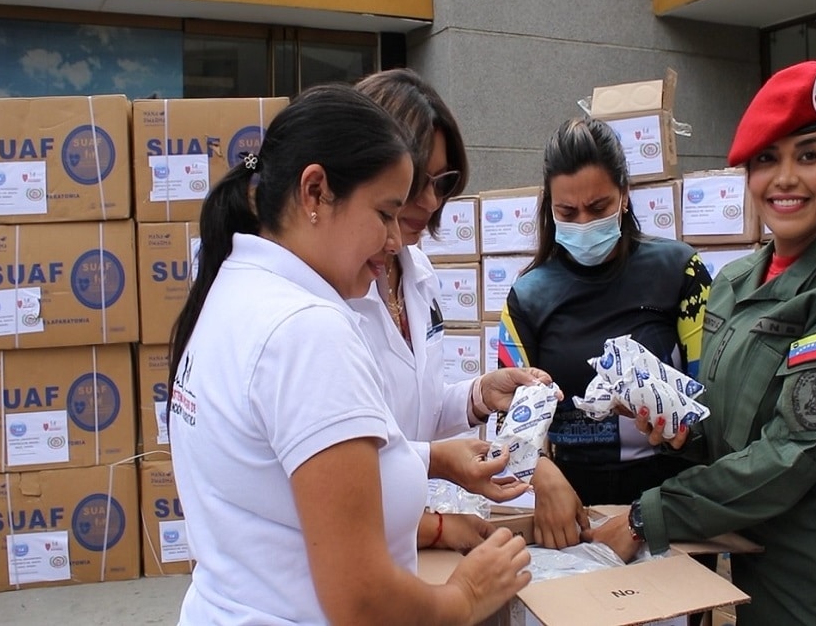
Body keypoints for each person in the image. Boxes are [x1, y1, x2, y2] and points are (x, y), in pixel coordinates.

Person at [167, 84, 531, 625]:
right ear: (315, 192)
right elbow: (361, 600)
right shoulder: (308, 331)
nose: (394, 239)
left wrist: (439, 447)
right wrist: (467, 596)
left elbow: (301, 462)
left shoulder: (236, 289)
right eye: (386, 213)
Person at [584, 61, 816, 625]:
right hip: (766, 595)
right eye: (767, 159)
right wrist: (677, 424)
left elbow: (788, 456)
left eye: (808, 155)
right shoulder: (735, 283)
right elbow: (732, 427)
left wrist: (646, 517)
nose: (785, 178)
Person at [353, 68, 556, 553]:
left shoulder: (415, 270)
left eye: (441, 182)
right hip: (363, 545)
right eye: (414, 182)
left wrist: (480, 395)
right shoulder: (331, 294)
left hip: (403, 538)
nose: (429, 200)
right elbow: (346, 465)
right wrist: (438, 517)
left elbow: (415, 410)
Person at [498, 117, 712, 549]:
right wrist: (542, 475)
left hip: (668, 499)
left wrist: (681, 428)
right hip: (570, 505)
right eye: (567, 212)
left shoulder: (680, 271)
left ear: (625, 196)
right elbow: (508, 415)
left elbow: (712, 391)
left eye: (598, 209)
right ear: (549, 208)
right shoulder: (527, 296)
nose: (583, 223)